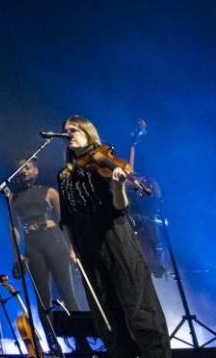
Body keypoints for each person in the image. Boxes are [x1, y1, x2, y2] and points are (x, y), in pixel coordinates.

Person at [56, 117, 170, 358]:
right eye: (65, 131)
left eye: (74, 130)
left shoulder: (103, 163)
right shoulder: (64, 175)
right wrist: (71, 248)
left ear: (88, 134)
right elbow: (66, 217)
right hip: (86, 244)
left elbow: (120, 208)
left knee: (138, 305)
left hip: (115, 237)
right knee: (106, 315)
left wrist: (119, 186)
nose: (69, 134)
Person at [9, 160, 81, 315]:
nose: (24, 171)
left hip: (53, 240)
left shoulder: (50, 192)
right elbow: (14, 228)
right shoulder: (13, 198)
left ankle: (80, 337)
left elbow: (66, 221)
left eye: (27, 168)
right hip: (32, 243)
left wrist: (73, 249)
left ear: (36, 170)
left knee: (67, 292)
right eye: (20, 169)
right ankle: (51, 338)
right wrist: (17, 255)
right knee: (42, 298)